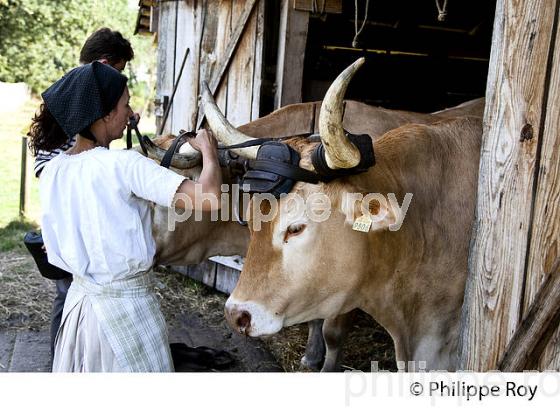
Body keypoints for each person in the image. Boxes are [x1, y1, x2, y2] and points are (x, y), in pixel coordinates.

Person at [28, 61, 222, 372]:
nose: (130, 113)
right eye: (125, 104)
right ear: (104, 114)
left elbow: (53, 246)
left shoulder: (53, 171)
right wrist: (209, 150)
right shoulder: (124, 165)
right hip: (127, 311)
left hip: (80, 314)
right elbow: (210, 198)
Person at [32, 28, 135, 360]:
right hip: (70, 209)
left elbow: (91, 156)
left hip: (72, 206)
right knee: (68, 294)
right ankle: (62, 363)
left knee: (75, 292)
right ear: (105, 63)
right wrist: (60, 217)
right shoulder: (75, 98)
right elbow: (49, 164)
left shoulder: (81, 95)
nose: (118, 81)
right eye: (117, 72)